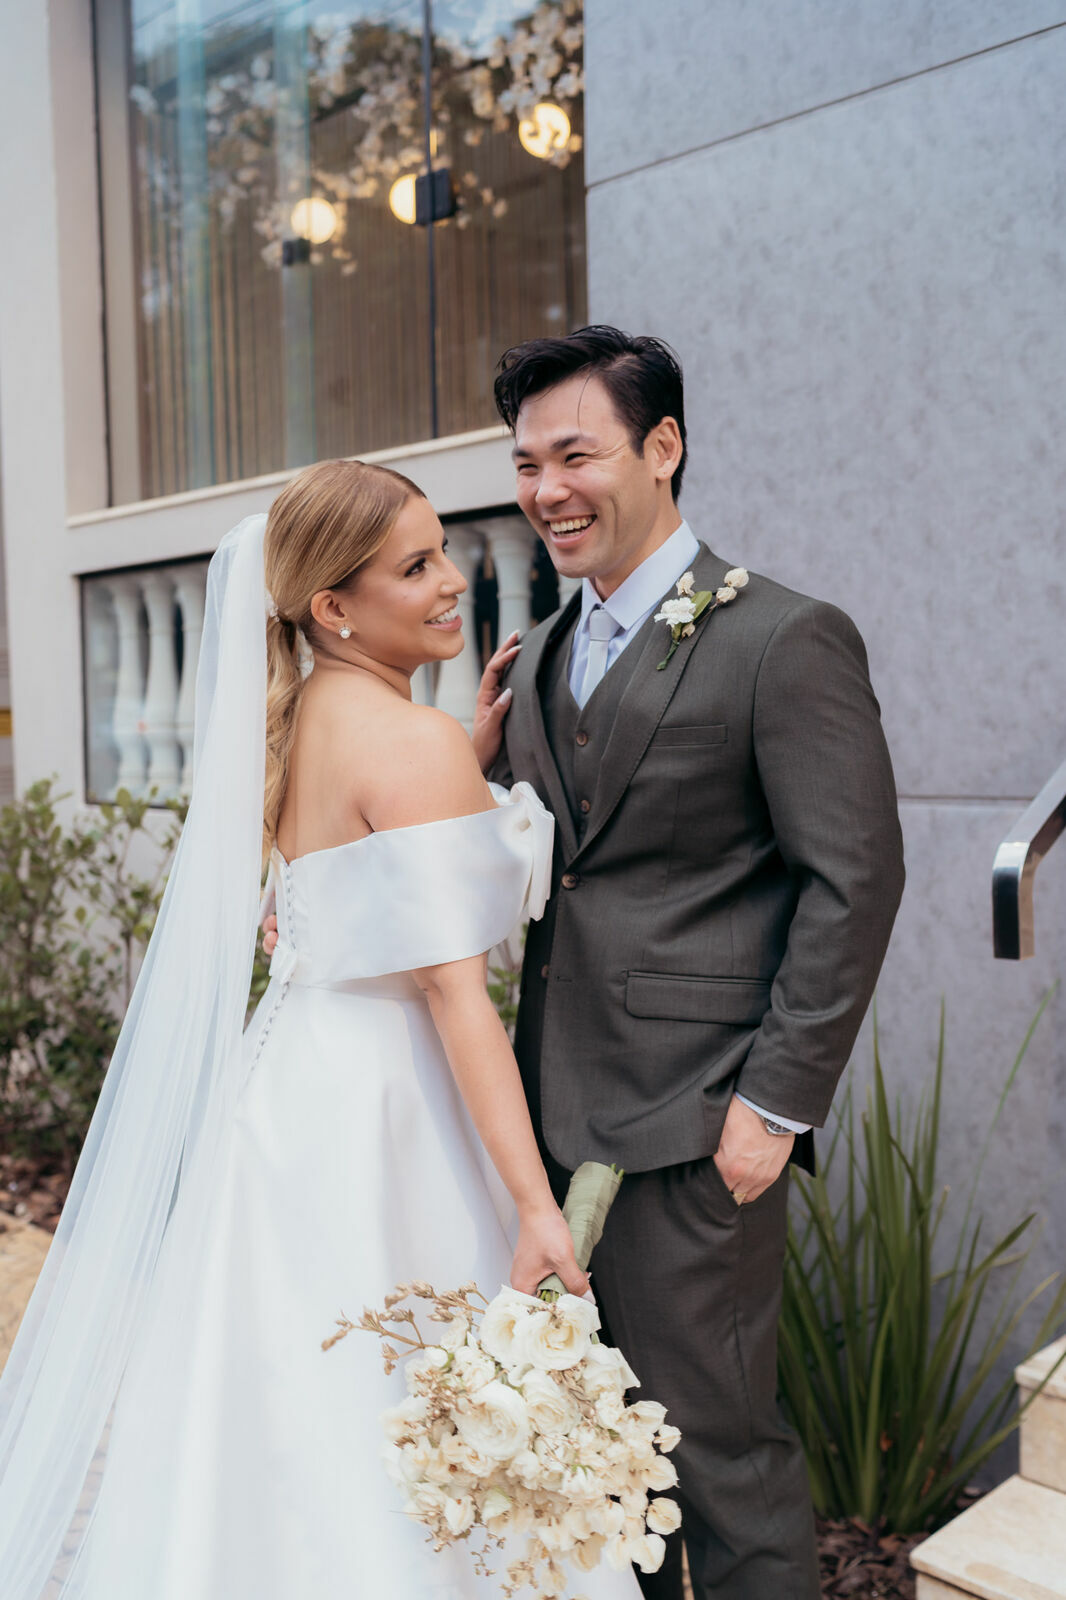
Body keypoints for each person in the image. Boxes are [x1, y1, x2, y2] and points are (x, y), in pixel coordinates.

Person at [0, 459, 643, 1600]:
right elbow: (452, 990)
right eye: (416, 566)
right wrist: (536, 1209)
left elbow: (360, 871)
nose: (452, 581)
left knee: (290, 1404)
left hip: (289, 1090)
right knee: (407, 1403)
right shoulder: (413, 742)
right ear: (334, 606)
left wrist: (466, 763)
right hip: (387, 1102)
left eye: (442, 551)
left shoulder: (295, 724)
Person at [470, 326, 906, 1600]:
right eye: (525, 463)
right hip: (551, 1122)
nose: (547, 489)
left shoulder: (783, 636)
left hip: (700, 1124)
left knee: (720, 1461)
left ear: (661, 447)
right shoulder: (538, 657)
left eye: (575, 454)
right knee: (609, 1465)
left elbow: (853, 879)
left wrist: (771, 1108)